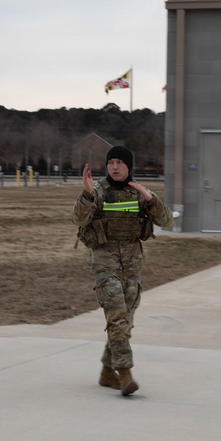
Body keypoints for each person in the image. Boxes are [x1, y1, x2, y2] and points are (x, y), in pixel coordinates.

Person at [72, 146, 173, 395]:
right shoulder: (96, 192)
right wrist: (85, 194)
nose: (114, 167)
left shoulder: (139, 193)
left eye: (119, 162)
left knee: (124, 322)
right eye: (111, 162)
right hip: (105, 265)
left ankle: (107, 371)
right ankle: (125, 373)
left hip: (131, 266)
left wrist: (151, 199)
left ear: (129, 166)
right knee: (117, 317)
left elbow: (167, 220)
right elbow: (77, 219)